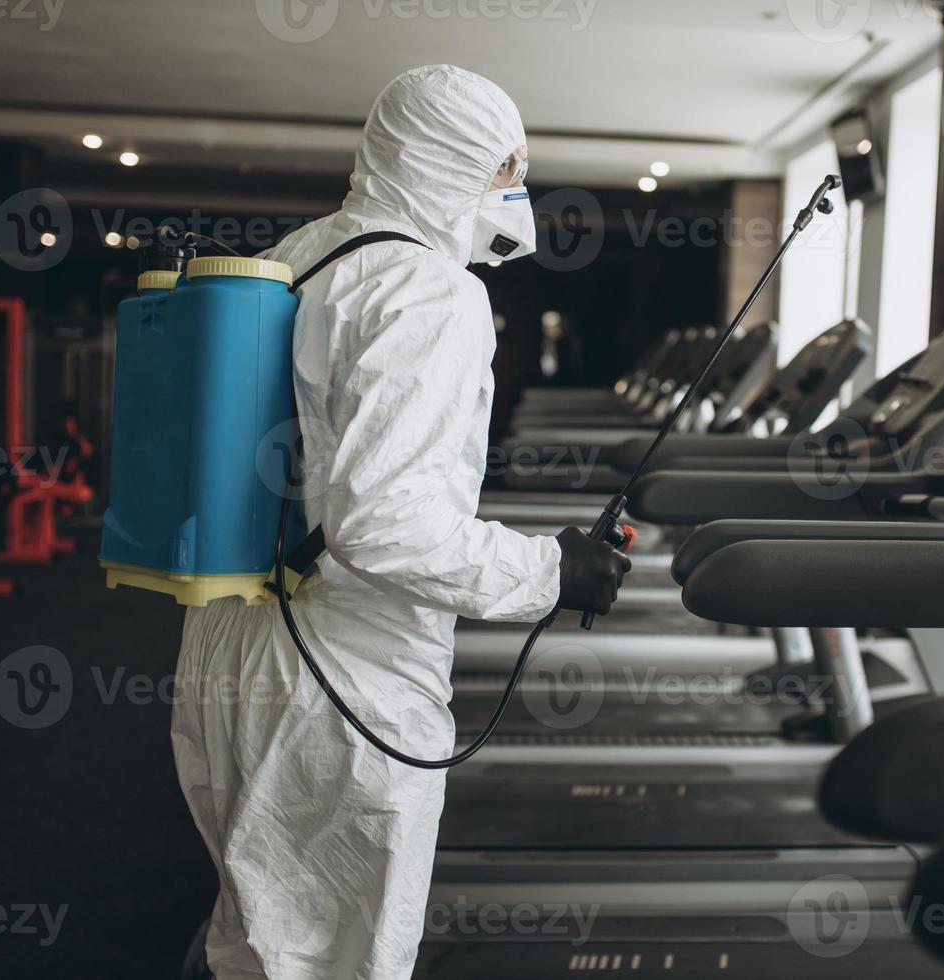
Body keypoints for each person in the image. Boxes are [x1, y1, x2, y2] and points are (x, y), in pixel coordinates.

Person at [170, 65, 629, 979]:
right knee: (338, 957)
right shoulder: (429, 291)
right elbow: (384, 524)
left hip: (229, 645)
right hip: (344, 678)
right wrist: (553, 572)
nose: (516, 191)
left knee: (257, 934)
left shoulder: (308, 253)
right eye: (508, 167)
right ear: (456, 160)